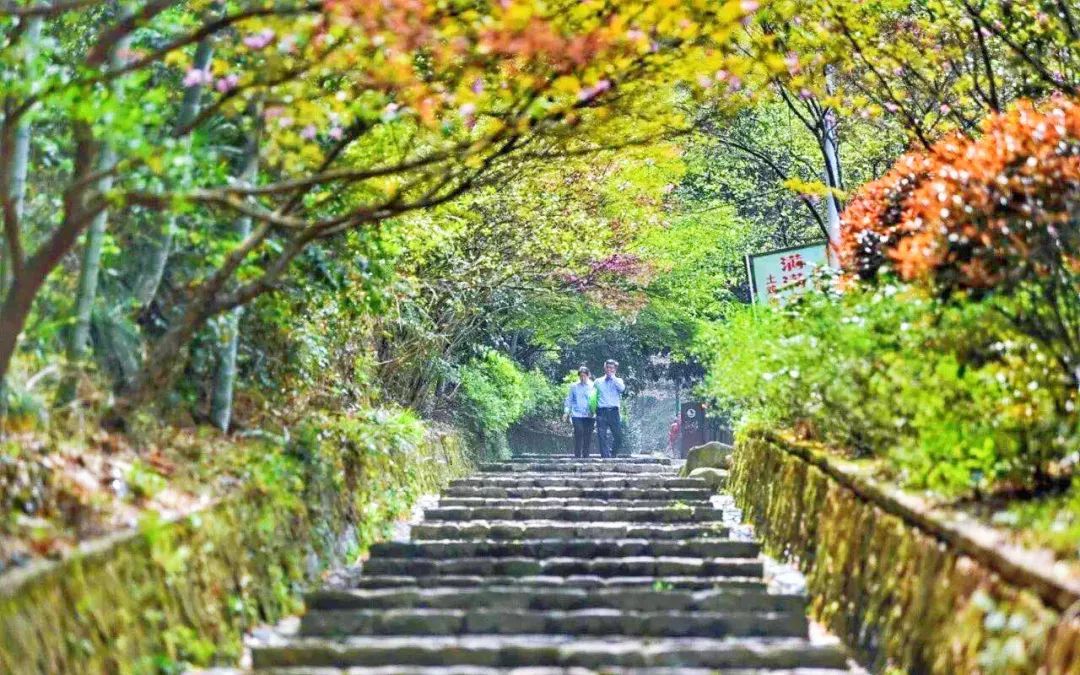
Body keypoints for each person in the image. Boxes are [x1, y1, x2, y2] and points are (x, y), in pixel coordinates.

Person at [563, 366, 597, 458]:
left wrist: (596, 411)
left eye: (584, 376)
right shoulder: (574, 386)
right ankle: (577, 455)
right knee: (579, 431)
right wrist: (566, 412)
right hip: (577, 414)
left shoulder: (593, 386)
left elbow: (597, 399)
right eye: (581, 376)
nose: (582, 378)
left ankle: (586, 455)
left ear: (588, 375)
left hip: (589, 414)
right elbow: (569, 399)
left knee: (588, 435)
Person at [594, 359, 625, 458]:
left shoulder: (618, 381)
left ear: (615, 369)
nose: (609, 370)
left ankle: (613, 454)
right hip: (601, 411)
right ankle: (605, 457)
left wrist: (612, 377)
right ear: (604, 368)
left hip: (613, 411)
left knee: (618, 436)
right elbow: (592, 395)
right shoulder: (598, 381)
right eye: (607, 367)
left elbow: (622, 389)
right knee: (601, 436)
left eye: (611, 368)